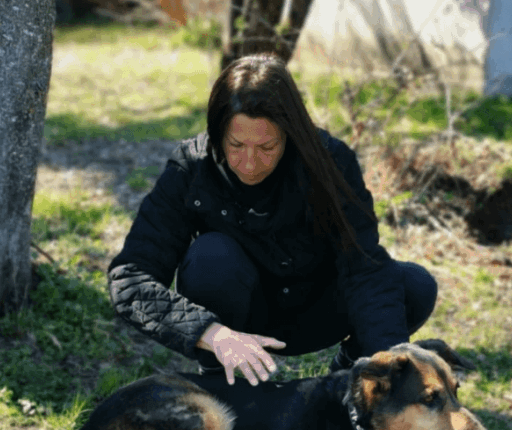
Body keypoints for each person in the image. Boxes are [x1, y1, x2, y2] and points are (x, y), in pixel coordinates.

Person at [107, 53, 437, 385]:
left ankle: (349, 378)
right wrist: (211, 333)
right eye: (236, 145)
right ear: (217, 132)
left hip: (316, 309)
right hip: (238, 319)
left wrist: (391, 368)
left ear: (290, 135)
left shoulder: (330, 161)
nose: (249, 163)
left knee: (413, 286)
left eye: (267, 147)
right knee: (210, 255)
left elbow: (364, 266)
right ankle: (220, 381)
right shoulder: (191, 167)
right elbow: (131, 278)